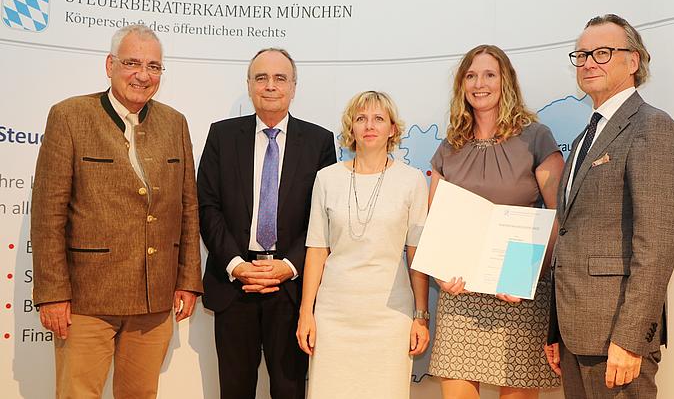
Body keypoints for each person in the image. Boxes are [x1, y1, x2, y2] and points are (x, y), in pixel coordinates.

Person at [31, 24, 203, 399]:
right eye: (132, 63)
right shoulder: (70, 116)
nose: (143, 75)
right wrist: (53, 294)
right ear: (110, 65)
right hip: (85, 301)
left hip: (153, 301)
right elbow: (47, 215)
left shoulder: (175, 123)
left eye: (154, 66)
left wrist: (188, 279)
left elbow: (187, 207)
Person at [544, 14, 674, 399]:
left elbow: (656, 246)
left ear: (634, 61)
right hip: (577, 338)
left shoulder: (652, 127)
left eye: (603, 52)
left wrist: (629, 339)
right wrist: (555, 330)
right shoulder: (581, 140)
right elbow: (570, 238)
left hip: (617, 339)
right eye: (582, 54)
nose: (589, 62)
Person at [198, 48, 337, 399]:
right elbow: (207, 206)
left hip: (291, 290)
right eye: (261, 78)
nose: (270, 86)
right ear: (249, 86)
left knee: (289, 390)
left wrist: (289, 266)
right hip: (234, 285)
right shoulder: (221, 136)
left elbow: (324, 216)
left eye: (280, 78)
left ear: (293, 86)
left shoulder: (320, 142)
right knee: (234, 389)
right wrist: (236, 264)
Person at [427, 45, 564, 399]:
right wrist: (441, 272)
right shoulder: (449, 147)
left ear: (506, 81)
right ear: (461, 85)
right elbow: (436, 222)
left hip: (519, 291)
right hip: (462, 294)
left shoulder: (536, 137)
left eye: (489, 74)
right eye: (470, 75)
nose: (479, 83)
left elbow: (558, 216)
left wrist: (522, 277)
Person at [296, 90, 430, 398]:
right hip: (333, 317)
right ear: (351, 128)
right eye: (361, 118)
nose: (369, 125)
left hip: (390, 318)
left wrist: (421, 316)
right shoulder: (326, 179)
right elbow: (317, 249)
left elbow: (416, 254)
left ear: (392, 129)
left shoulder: (411, 181)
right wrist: (306, 312)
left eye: (379, 118)